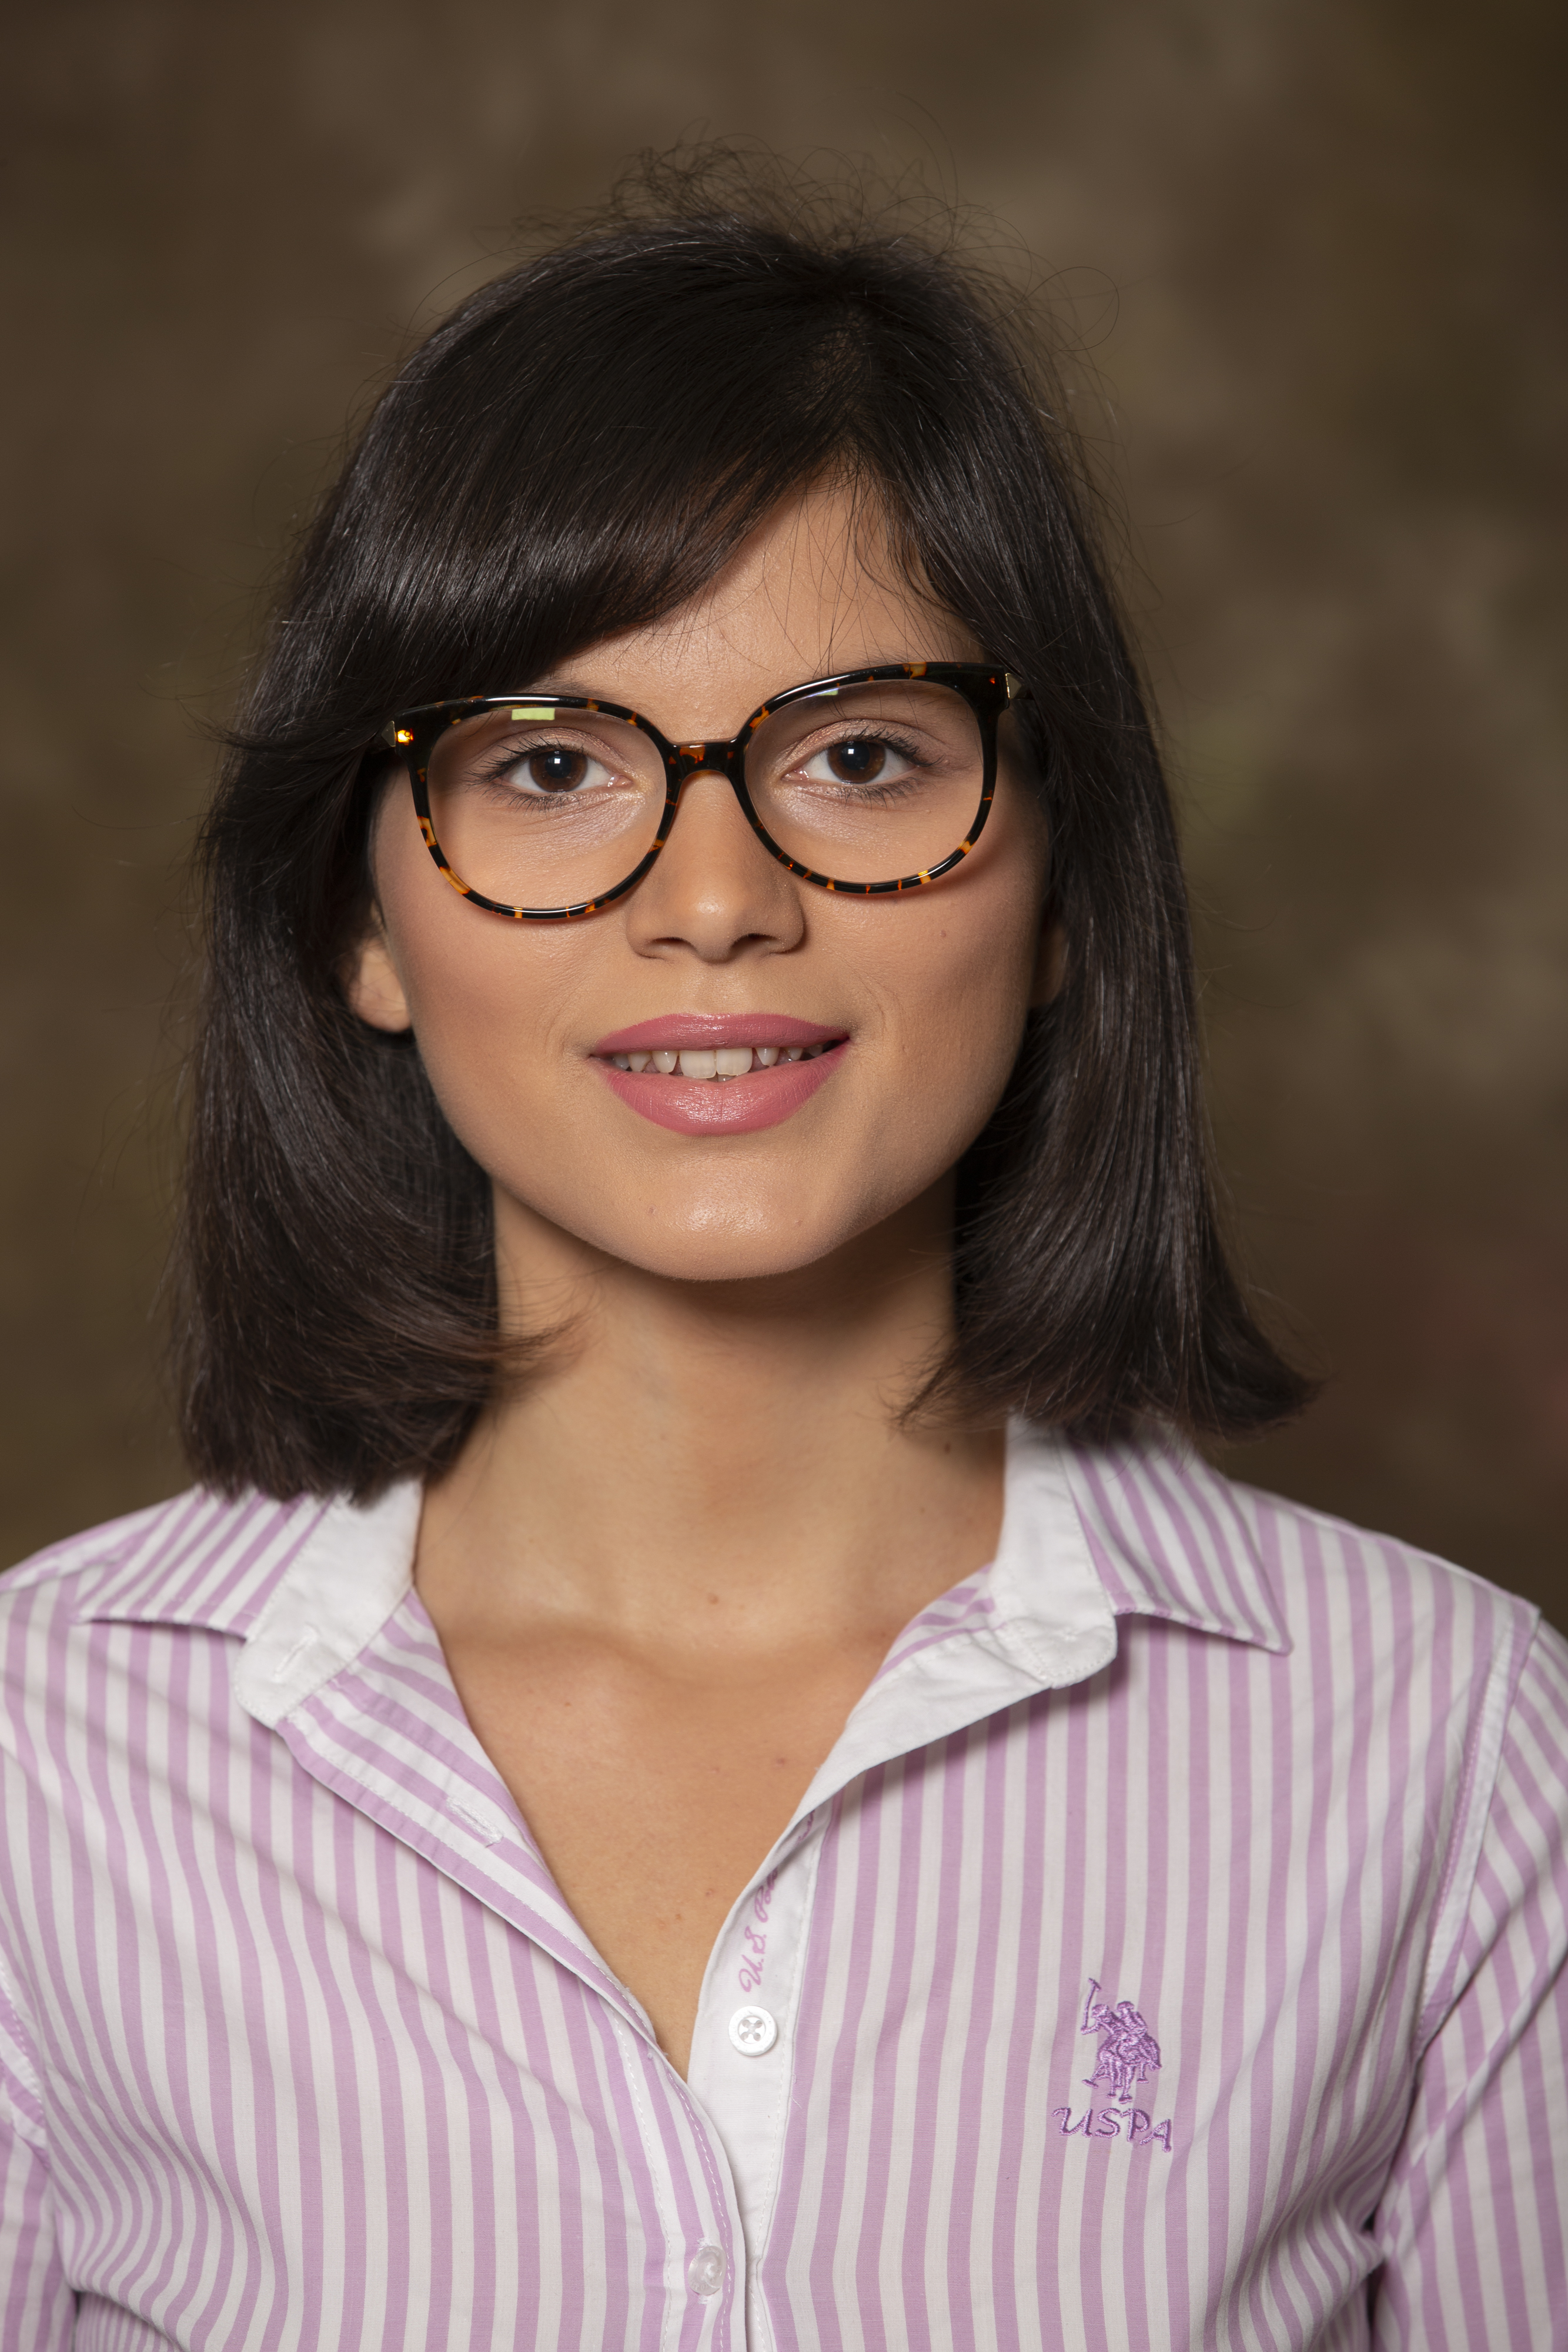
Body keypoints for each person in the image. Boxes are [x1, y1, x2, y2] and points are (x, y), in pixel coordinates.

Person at [1, 154, 1563, 2350]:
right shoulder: (41, 1751)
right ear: (358, 918)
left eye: (856, 754)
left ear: (1056, 898)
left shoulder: (1447, 1741)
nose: (713, 894)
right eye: (547, 766)